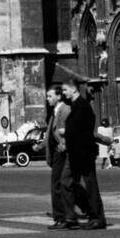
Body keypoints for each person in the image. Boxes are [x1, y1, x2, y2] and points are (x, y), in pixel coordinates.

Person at [59, 78, 106, 230]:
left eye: (65, 90)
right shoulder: (76, 106)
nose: (63, 93)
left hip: (83, 154)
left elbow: (84, 131)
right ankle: (77, 216)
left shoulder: (82, 107)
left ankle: (97, 218)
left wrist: (66, 133)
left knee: (90, 186)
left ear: (73, 89)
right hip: (76, 153)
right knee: (67, 182)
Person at [45, 84, 71, 228]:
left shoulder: (65, 110)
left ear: (59, 96)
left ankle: (62, 217)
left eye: (50, 96)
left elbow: (72, 129)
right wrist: (41, 146)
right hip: (56, 153)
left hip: (62, 152)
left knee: (59, 184)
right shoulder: (55, 112)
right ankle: (65, 215)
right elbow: (49, 134)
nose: (47, 99)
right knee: (62, 184)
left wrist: (64, 143)